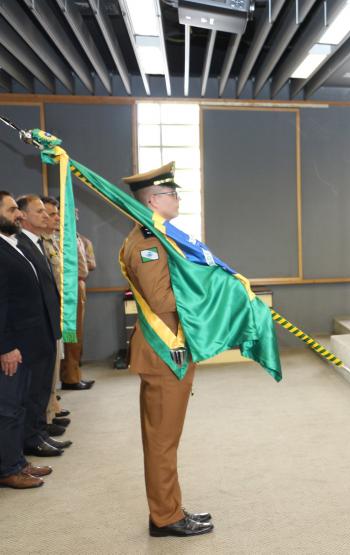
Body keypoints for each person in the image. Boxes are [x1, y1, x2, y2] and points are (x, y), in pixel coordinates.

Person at [120, 162, 213, 537]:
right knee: (162, 441)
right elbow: (161, 299)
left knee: (164, 438)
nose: (178, 198)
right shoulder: (147, 243)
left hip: (168, 347)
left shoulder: (159, 237)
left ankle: (168, 508)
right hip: (163, 349)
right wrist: (206, 292)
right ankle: (166, 517)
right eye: (172, 193)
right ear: (154, 200)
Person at [0, 191, 54, 488]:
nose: (18, 215)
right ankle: (8, 468)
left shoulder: (13, 244)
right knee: (7, 409)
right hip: (11, 345)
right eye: (11, 211)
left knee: (19, 404)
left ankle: (18, 460)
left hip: (26, 342)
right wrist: (5, 346)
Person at [15, 195, 70, 456]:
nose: (47, 217)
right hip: (32, 329)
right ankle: (32, 437)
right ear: (23, 216)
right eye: (40, 212)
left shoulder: (37, 242)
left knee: (40, 387)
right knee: (32, 389)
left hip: (46, 325)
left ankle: (38, 432)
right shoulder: (21, 244)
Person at [60, 207, 94, 391]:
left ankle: (73, 374)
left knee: (76, 336)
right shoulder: (61, 236)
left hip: (78, 285)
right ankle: (70, 377)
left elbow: (89, 263)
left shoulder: (77, 236)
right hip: (69, 289)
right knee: (70, 335)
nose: (76, 216)